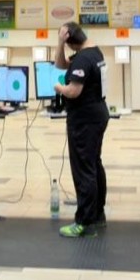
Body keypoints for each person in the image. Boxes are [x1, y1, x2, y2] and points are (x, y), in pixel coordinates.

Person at [53, 21, 108, 237]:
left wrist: (59, 87)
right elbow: (60, 64)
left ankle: (84, 222)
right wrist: (60, 42)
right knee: (93, 164)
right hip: (96, 115)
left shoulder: (83, 59)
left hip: (85, 120)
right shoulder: (93, 52)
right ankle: (97, 214)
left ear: (71, 41)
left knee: (84, 169)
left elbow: (73, 91)